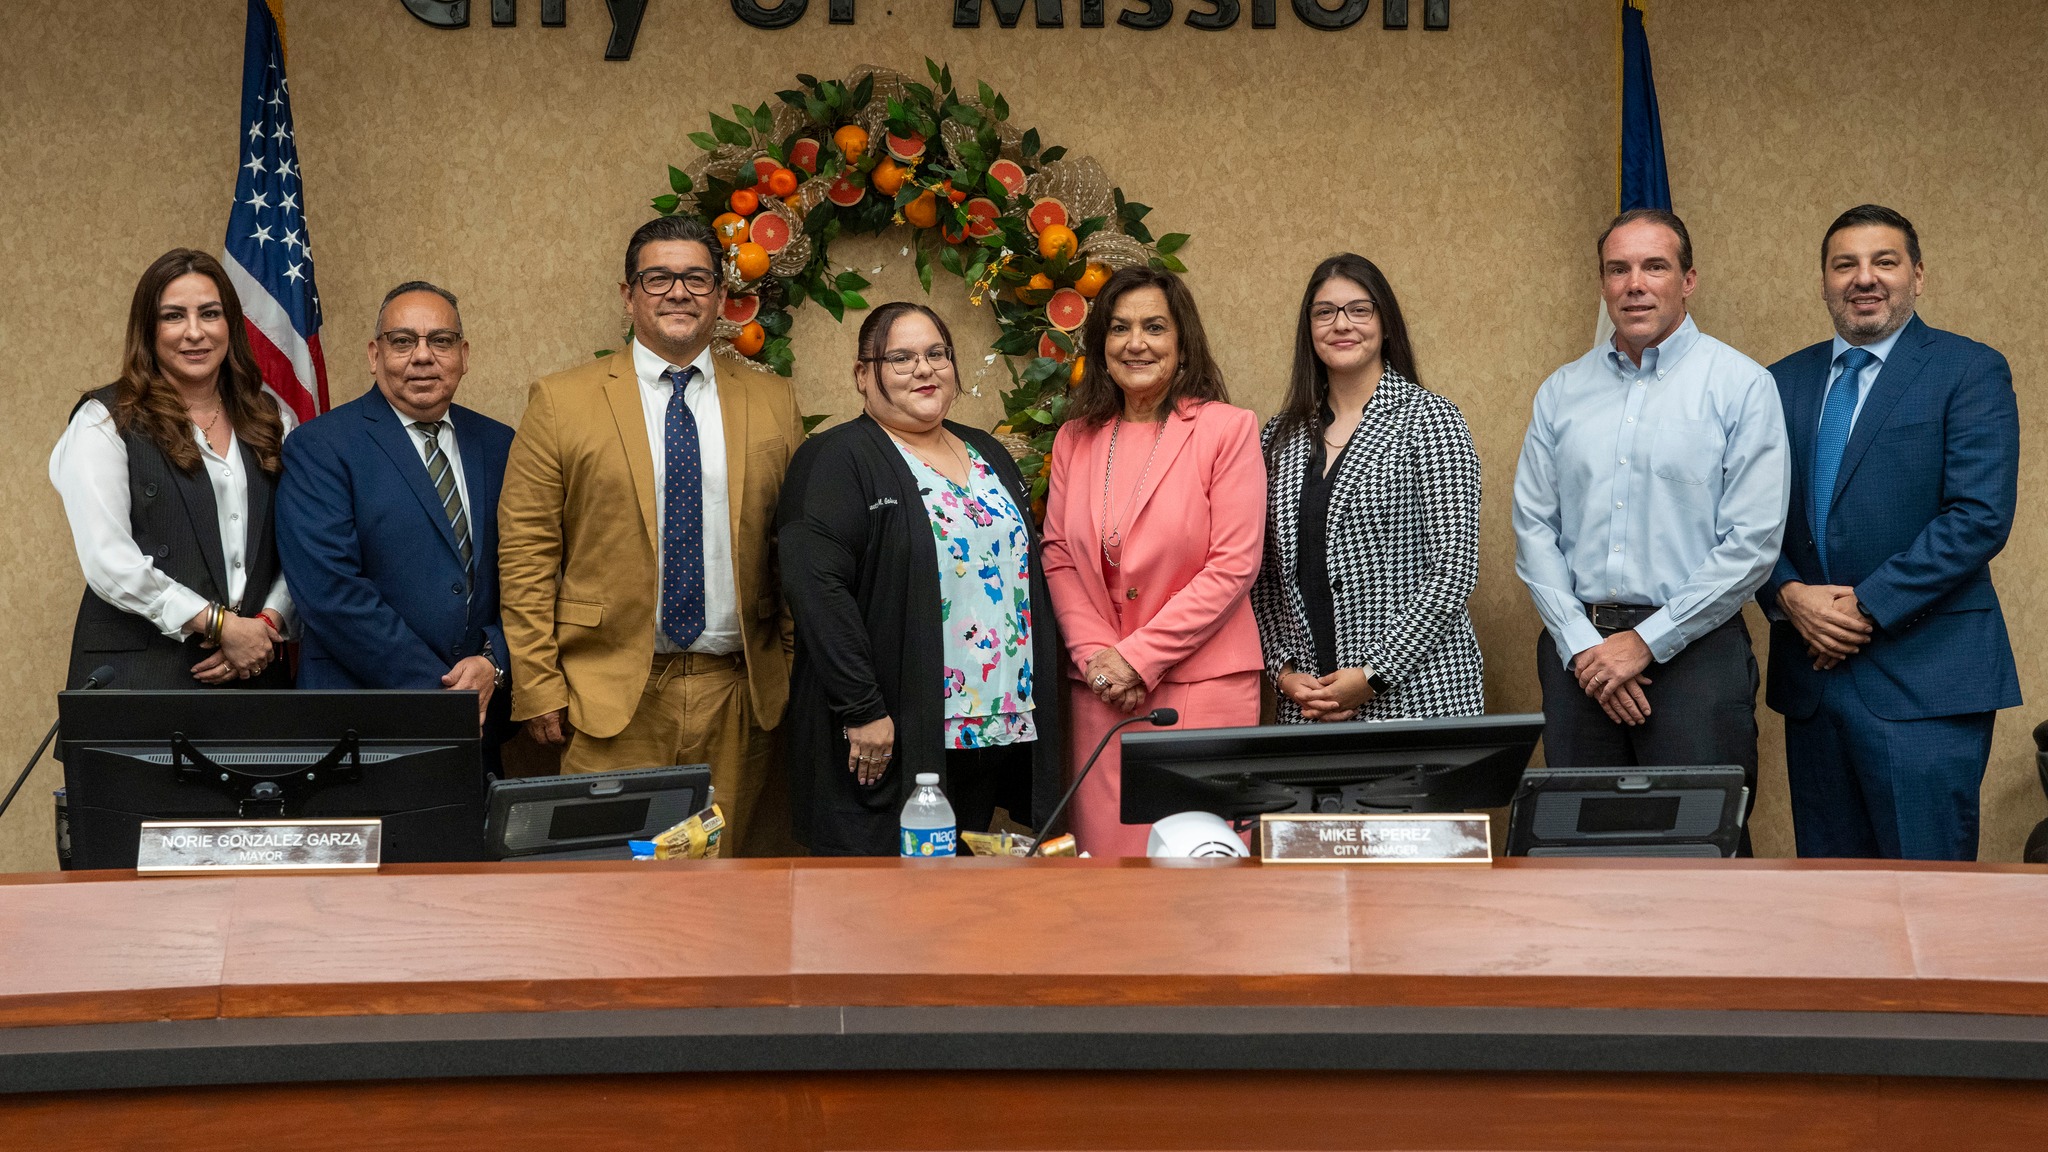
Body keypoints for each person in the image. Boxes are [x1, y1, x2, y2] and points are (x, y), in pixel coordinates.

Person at [498, 216, 802, 856]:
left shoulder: (774, 402)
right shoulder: (561, 401)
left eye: (696, 278)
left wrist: (794, 665)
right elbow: (526, 554)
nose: (678, 293)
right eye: (658, 278)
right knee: (605, 898)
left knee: (732, 899)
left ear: (721, 296)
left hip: (739, 696)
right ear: (628, 294)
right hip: (609, 696)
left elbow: (795, 546)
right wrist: (538, 684)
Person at [1512, 209, 1789, 849]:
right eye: (1618, 269)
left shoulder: (1742, 385)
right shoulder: (1561, 392)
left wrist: (1643, 643)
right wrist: (1584, 645)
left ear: (1688, 279)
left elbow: (1750, 545)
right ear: (1604, 283)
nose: (1635, 283)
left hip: (1696, 654)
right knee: (1581, 854)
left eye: (1654, 266)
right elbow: (1533, 527)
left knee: (1700, 851)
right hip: (1576, 658)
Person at [1757, 205, 2020, 861]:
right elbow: (1745, 519)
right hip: (1812, 681)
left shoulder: (1969, 369)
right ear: (1824, 281)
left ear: (1918, 276)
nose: (1863, 279)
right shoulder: (1777, 383)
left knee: (1925, 905)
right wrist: (1789, 596)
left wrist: (1862, 607)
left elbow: (1978, 515)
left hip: (1925, 680)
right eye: (1845, 264)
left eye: (1884, 262)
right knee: (1835, 904)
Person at [777, 303, 1063, 855]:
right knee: (885, 900)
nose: (924, 369)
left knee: (962, 901)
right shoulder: (835, 458)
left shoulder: (989, 451)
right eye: (900, 358)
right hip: (893, 728)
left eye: (937, 354)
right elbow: (817, 592)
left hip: (991, 726)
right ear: (863, 375)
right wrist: (862, 709)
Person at [1041, 266, 1267, 858]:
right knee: (1108, 872)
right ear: (1100, 345)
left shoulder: (1228, 430)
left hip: (1203, 687)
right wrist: (1097, 659)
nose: (1135, 342)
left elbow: (1234, 564)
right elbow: (1060, 556)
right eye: (1119, 328)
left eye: (1154, 326)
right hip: (1100, 693)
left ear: (1183, 341)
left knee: (1197, 872)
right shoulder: (1074, 438)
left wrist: (1137, 658)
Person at [275, 282, 515, 745]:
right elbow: (331, 592)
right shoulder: (321, 447)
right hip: (360, 722)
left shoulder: (500, 444)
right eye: (402, 341)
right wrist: (441, 695)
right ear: (374, 354)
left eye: (440, 341)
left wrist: (494, 661)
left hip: (480, 719)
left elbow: (533, 572)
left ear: (464, 355)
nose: (422, 356)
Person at [1253, 254, 1484, 723]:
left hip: (1419, 697)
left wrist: (1373, 675)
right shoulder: (1277, 437)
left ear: (1384, 322)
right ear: (1309, 328)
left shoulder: (1431, 420)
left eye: (1359, 309)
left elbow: (1454, 571)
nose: (1342, 324)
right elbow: (1265, 577)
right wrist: (1283, 669)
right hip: (1309, 705)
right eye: (1325, 312)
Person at [52, 248, 293, 691]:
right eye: (173, 316)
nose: (195, 332)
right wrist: (221, 625)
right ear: (149, 329)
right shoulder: (104, 420)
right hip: (142, 676)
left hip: (255, 669)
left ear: (231, 324)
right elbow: (109, 561)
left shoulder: (272, 417)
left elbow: (300, 542)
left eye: (210, 313)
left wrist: (264, 623)